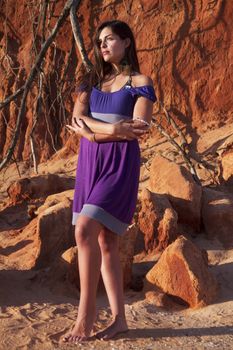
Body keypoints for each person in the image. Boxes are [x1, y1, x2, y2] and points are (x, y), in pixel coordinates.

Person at [63, 19, 156, 343]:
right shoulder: (88, 84)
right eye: (100, 41)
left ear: (127, 42)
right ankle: (119, 320)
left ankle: (84, 318)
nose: (104, 46)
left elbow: (139, 127)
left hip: (118, 166)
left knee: (84, 229)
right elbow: (76, 122)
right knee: (106, 243)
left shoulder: (140, 82)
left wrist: (95, 132)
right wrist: (114, 130)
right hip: (89, 166)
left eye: (111, 39)